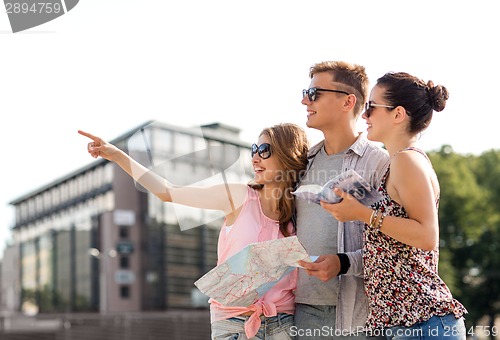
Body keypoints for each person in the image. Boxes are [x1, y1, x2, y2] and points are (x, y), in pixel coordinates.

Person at [78, 123, 310, 340]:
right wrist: (116, 155)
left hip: (284, 324)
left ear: (288, 155)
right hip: (233, 324)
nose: (255, 157)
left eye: (265, 150)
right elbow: (168, 192)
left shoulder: (304, 209)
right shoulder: (238, 196)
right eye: (254, 149)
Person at [321, 72, 468, 339]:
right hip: (406, 325)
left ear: (398, 114)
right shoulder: (397, 164)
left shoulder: (407, 162)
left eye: (371, 107)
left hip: (422, 323)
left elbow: (426, 236)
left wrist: (362, 213)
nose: (364, 116)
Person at [295, 61, 390, 338]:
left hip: (359, 314)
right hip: (304, 309)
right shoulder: (303, 161)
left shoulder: (379, 162)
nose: (304, 100)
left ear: (348, 101)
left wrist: (343, 262)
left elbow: (393, 244)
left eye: (314, 94)